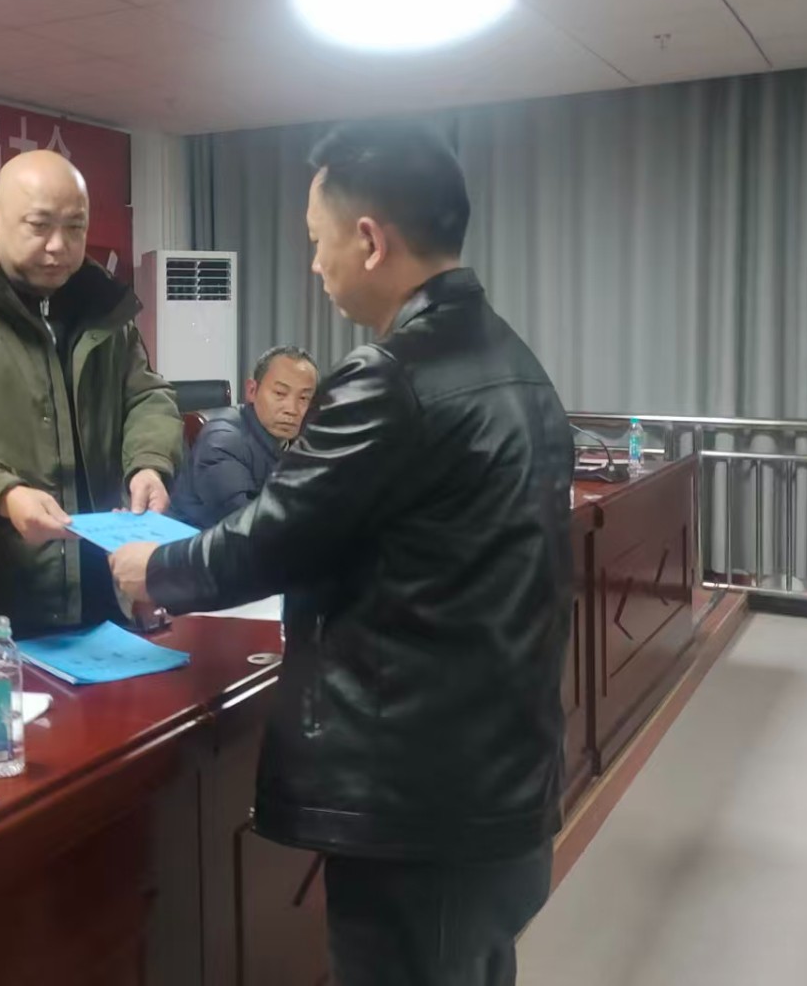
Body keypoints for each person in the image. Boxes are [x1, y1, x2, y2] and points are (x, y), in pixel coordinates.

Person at [110, 121, 575, 986]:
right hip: (499, 767)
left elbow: (274, 535)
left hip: (419, 796)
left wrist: (153, 568)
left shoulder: (392, 374)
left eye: (318, 241)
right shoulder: (512, 359)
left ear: (369, 239)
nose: (315, 265)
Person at [0, 149, 183, 636]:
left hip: (105, 585)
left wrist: (150, 463)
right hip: (2, 600)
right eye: (39, 225)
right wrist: (3, 493)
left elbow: (147, 396)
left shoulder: (102, 308)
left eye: (75, 227)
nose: (58, 246)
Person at [168, 345, 318, 529]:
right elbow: (250, 525)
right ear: (252, 391)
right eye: (280, 394)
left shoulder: (306, 439)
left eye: (304, 398)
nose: (292, 409)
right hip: (193, 540)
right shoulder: (222, 442)